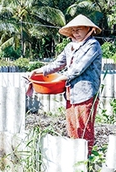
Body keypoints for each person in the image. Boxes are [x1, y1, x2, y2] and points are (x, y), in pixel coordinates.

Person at [29, 14, 102, 153]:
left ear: (89, 30)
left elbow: (78, 68)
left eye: (79, 29)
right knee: (72, 126)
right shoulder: (70, 47)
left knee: (84, 127)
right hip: (71, 93)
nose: (76, 33)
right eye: (73, 30)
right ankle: (75, 155)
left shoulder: (93, 45)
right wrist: (40, 70)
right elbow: (58, 63)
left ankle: (87, 157)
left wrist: (60, 78)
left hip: (86, 92)